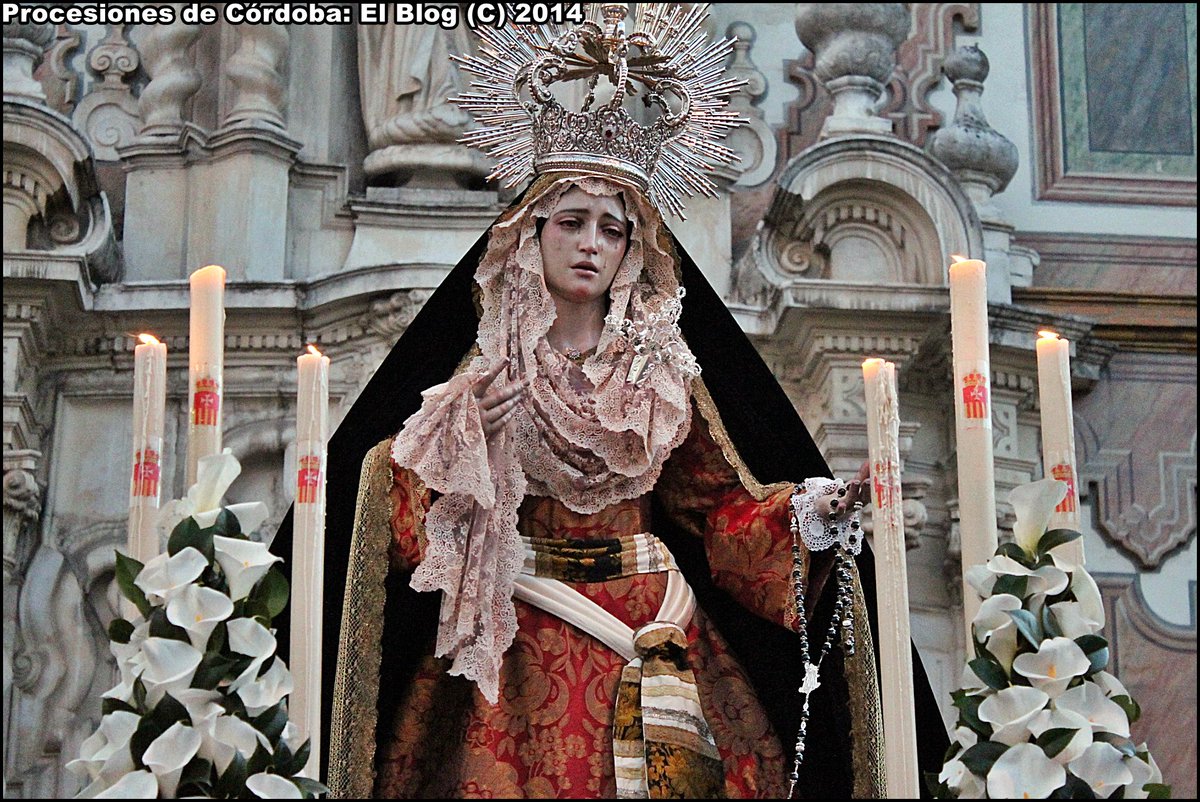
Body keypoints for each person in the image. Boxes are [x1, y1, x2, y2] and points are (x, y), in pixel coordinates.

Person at [269, 7, 950, 798]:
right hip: (520, 655)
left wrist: (814, 511)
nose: (591, 243)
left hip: (660, 636)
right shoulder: (481, 374)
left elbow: (716, 515)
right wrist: (466, 452)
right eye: (572, 222)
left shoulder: (661, 377)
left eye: (612, 229)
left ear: (635, 247)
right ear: (533, 233)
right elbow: (410, 542)